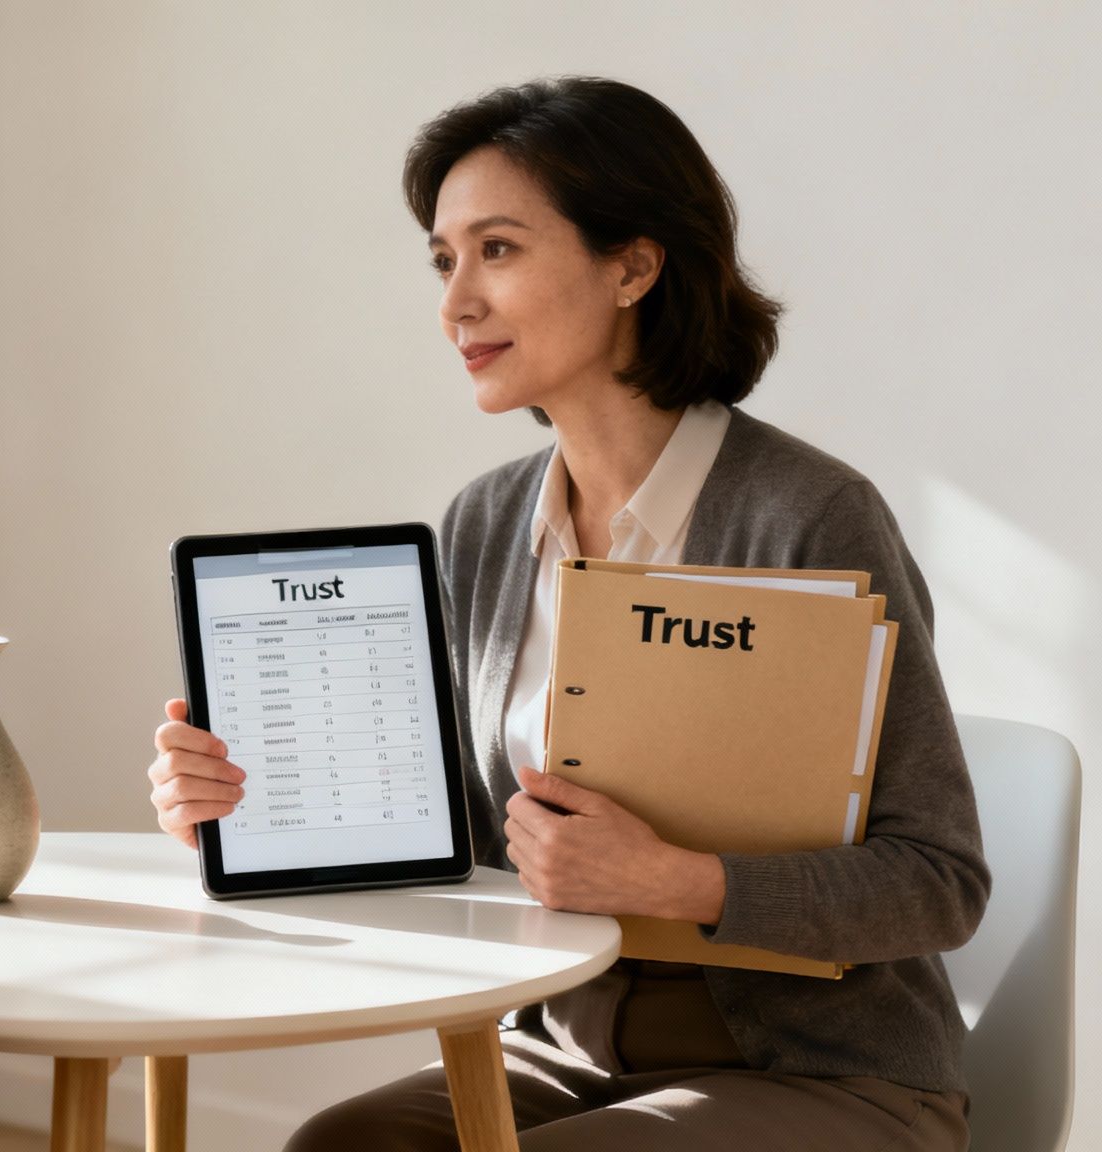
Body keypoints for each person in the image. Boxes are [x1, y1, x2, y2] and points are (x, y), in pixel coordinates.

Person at [146, 77, 988, 1151]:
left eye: (496, 250)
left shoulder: (812, 517)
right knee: (334, 1146)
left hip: (820, 1072)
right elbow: (443, 835)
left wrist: (679, 882)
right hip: (556, 1048)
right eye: (443, 260)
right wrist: (242, 805)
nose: (454, 302)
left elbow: (938, 882)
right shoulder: (485, 522)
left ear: (632, 265)